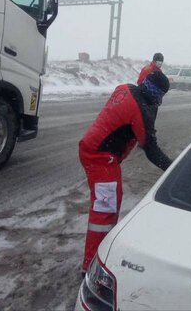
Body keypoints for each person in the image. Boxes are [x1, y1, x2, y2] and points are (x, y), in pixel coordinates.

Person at [78, 70, 172, 274]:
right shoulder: (141, 111)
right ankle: (91, 266)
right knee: (104, 211)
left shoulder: (125, 88)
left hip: (92, 148)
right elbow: (151, 149)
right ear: (157, 93)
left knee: (111, 202)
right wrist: (172, 168)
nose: (160, 102)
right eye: (161, 96)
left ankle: (100, 253)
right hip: (101, 158)